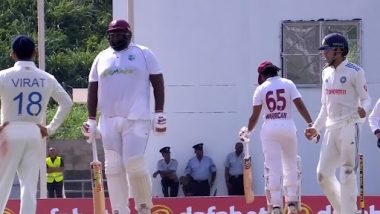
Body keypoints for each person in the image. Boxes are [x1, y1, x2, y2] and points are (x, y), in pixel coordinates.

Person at [82, 19, 166, 214]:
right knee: (112, 167)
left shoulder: (144, 54)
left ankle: (144, 207)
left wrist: (160, 112)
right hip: (109, 119)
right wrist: (91, 119)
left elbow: (158, 83)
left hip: (136, 118)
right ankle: (119, 209)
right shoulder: (101, 57)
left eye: (120, 34)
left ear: (129, 35)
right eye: (112, 35)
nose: (116, 38)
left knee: (134, 165)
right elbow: (93, 89)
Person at [0, 35, 73, 214]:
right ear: (34, 53)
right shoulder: (46, 77)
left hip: (9, 131)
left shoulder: (4, 76)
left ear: (13, 54)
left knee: (2, 183)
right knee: (29, 187)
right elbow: (67, 102)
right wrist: (50, 128)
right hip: (34, 132)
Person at [304, 33, 371, 214]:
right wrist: (315, 128)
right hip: (331, 128)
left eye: (327, 50)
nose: (324, 54)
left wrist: (364, 110)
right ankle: (344, 210)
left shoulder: (355, 71)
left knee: (348, 172)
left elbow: (366, 99)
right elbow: (325, 107)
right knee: (323, 175)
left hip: (350, 124)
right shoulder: (326, 73)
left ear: (339, 50)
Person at [239, 61, 314, 214]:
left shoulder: (260, 89)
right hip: (288, 126)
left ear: (262, 74)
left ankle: (276, 205)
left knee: (272, 167)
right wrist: (311, 123)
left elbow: (254, 116)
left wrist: (248, 131)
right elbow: (299, 105)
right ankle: (292, 202)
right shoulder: (288, 83)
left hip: (270, 128)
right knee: (290, 164)